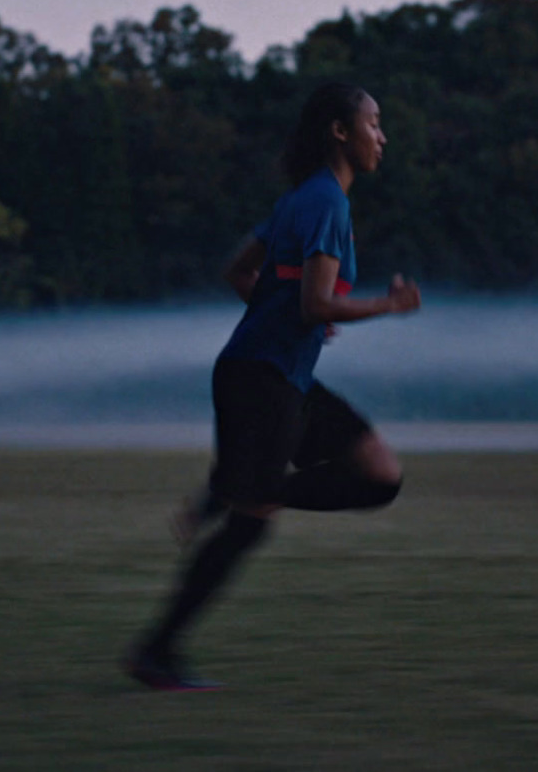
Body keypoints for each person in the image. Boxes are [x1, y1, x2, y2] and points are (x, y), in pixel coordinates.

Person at [124, 81, 422, 691]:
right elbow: (317, 305)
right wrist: (386, 307)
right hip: (260, 378)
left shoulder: (306, 199)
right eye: (373, 123)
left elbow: (239, 271)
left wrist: (286, 310)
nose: (381, 136)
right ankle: (156, 652)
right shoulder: (325, 204)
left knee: (380, 474)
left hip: (278, 374)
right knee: (251, 519)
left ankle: (231, 488)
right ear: (340, 131)